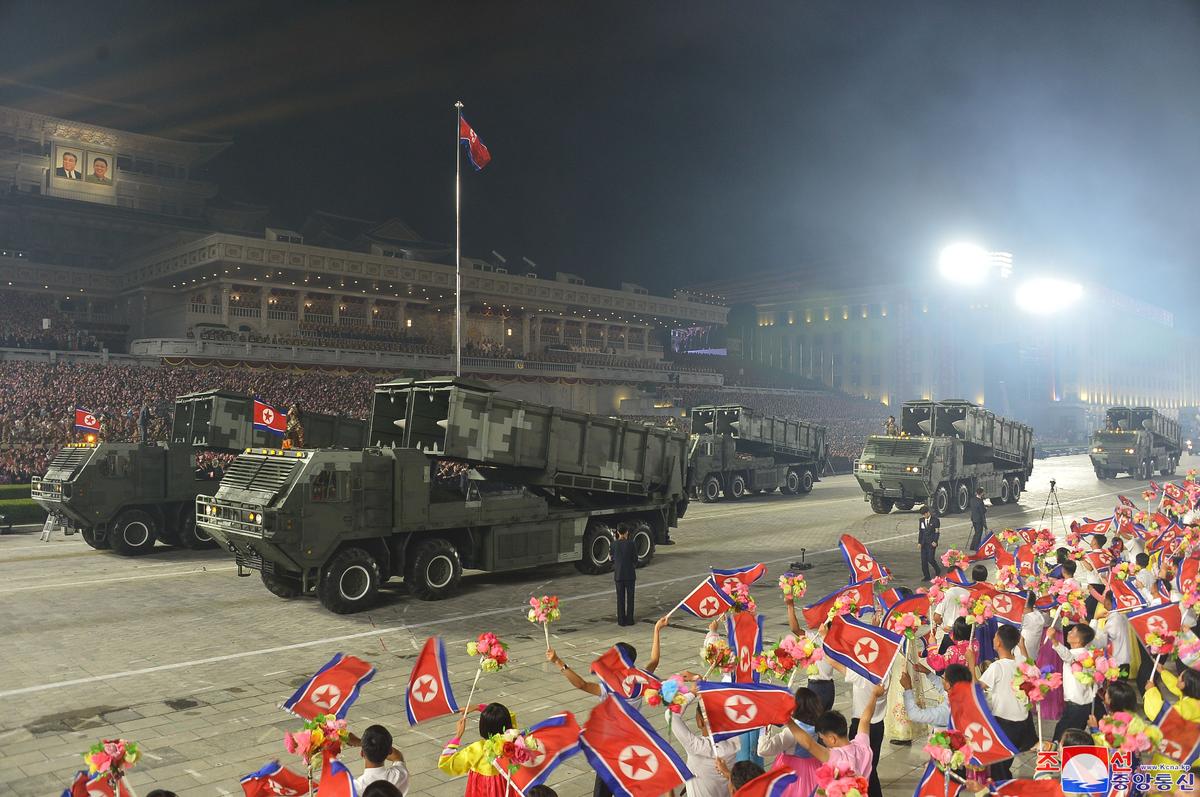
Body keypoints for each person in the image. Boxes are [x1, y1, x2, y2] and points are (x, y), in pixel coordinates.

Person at [783, 683, 884, 777]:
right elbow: (865, 720)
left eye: (823, 738)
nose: (823, 741)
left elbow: (810, 745)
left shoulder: (836, 757)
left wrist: (788, 720)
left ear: (832, 738)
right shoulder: (862, 746)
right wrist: (874, 696)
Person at [978, 625, 1032, 781]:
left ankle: (1003, 788)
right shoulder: (1021, 663)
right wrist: (1022, 646)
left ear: (999, 643)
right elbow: (1029, 664)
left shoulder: (997, 666)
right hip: (1021, 721)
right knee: (1005, 760)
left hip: (1003, 722)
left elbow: (978, 687)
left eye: (995, 637)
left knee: (998, 766)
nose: (993, 639)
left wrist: (970, 662)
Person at [757, 687, 823, 796]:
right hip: (812, 768)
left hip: (791, 772)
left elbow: (763, 750)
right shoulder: (817, 725)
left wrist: (764, 727)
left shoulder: (791, 733)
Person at [438, 703, 514, 797]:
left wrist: (457, 736)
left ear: (483, 726)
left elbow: (446, 763)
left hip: (483, 790)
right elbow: (508, 716)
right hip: (507, 786)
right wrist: (478, 707)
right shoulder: (512, 741)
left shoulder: (478, 749)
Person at [667, 703, 739, 797]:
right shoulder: (735, 744)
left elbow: (670, 715)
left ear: (699, 721)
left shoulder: (696, 747)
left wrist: (693, 693)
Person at [1047, 623, 1100, 740]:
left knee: (1061, 736)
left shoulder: (1078, 655)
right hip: (1086, 704)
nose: (1069, 632)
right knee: (1076, 737)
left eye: (1072, 631)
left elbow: (1068, 656)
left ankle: (1057, 756)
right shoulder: (1090, 654)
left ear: (1078, 640)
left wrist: (1053, 639)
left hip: (1076, 706)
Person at [900, 663, 972, 729]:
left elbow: (914, 715)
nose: (941, 680)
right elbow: (943, 689)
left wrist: (908, 688)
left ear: (948, 685)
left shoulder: (945, 711)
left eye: (943, 678)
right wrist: (928, 673)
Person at [348, 724, 408, 794]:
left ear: (362, 753)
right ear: (390, 751)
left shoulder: (355, 788)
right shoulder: (400, 775)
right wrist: (362, 743)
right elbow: (397, 756)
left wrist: (363, 743)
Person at [612, 523, 637, 626]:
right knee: (630, 598)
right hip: (630, 575)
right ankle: (630, 620)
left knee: (620, 598)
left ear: (618, 532)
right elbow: (635, 559)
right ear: (627, 532)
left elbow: (611, 558)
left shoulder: (613, 544)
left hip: (618, 575)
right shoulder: (631, 544)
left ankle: (621, 621)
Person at [918, 506, 941, 580]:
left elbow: (937, 532)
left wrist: (935, 541)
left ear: (928, 513)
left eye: (924, 514)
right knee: (923, 560)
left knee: (930, 559)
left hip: (931, 543)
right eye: (922, 515)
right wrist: (919, 542)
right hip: (923, 543)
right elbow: (921, 532)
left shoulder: (935, 520)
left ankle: (937, 569)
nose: (924, 516)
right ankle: (926, 576)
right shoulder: (921, 520)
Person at [968, 487, 987, 552]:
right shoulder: (980, 501)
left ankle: (972, 546)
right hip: (979, 520)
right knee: (979, 534)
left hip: (973, 518)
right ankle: (976, 547)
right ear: (981, 493)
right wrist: (985, 509)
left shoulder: (972, 500)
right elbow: (982, 511)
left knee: (976, 533)